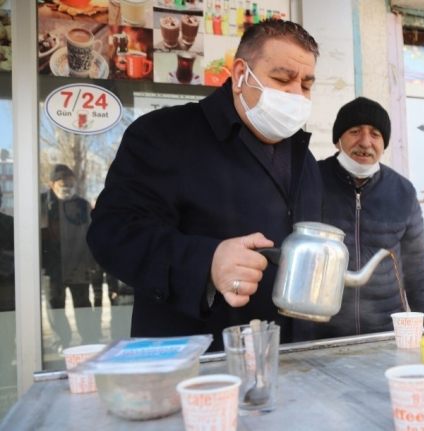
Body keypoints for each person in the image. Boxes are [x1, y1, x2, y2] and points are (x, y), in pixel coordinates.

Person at [87, 19, 323, 351]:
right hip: (196, 365)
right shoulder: (165, 134)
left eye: (306, 84)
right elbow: (112, 234)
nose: (296, 94)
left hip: (288, 360)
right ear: (241, 74)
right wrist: (207, 262)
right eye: (283, 79)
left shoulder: (305, 160)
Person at [312, 97, 424, 339]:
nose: (365, 142)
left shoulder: (402, 191)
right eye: (355, 131)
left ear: (384, 143)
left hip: (386, 331)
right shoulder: (312, 180)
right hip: (321, 332)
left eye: (375, 134)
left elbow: (416, 263)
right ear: (338, 139)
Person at [41, 164, 102, 349]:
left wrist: (92, 263)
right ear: (52, 184)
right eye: (62, 182)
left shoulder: (82, 205)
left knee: (82, 304)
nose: (67, 186)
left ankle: (89, 339)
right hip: (52, 267)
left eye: (70, 182)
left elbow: (91, 234)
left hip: (78, 264)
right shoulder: (42, 203)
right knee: (55, 305)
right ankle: (62, 340)